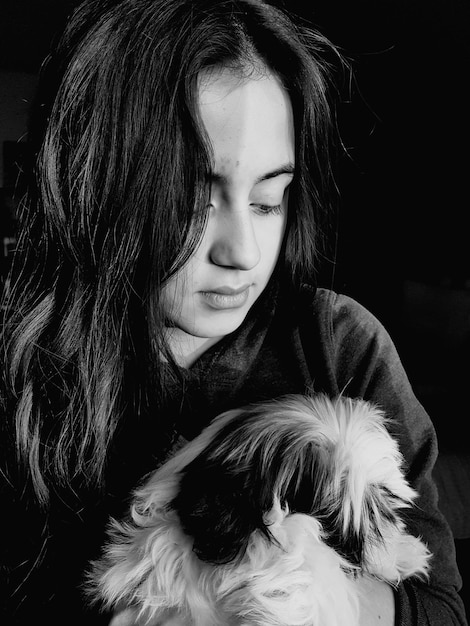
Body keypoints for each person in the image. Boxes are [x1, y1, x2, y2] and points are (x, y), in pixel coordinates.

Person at [0, 0, 466, 625]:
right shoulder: (26, 372)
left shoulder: (339, 346)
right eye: (192, 202)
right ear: (101, 190)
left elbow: (436, 609)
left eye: (270, 200)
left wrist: (285, 587)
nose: (242, 252)